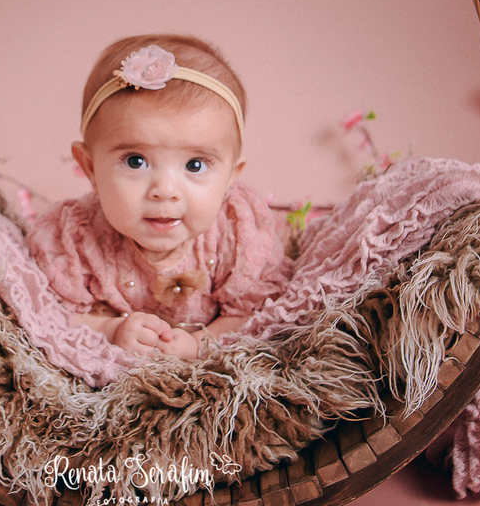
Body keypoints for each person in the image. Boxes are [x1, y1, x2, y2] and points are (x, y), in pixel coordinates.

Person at [26, 34, 291, 360]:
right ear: (90, 167)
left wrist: (200, 344)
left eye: (195, 165)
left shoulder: (237, 235)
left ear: (231, 177)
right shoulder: (75, 239)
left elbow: (257, 315)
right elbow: (49, 315)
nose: (165, 190)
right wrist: (109, 331)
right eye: (135, 161)